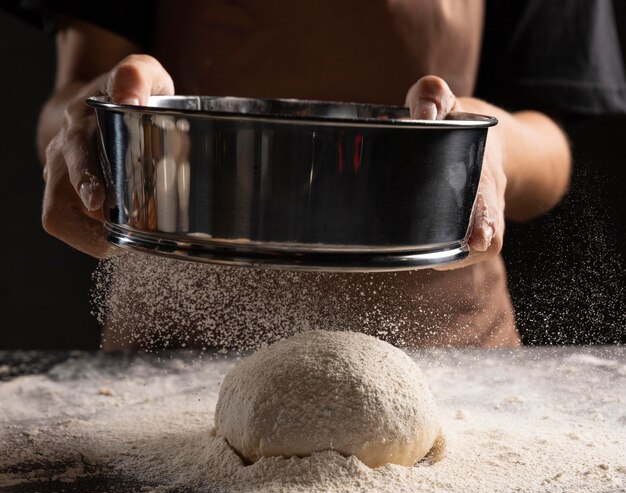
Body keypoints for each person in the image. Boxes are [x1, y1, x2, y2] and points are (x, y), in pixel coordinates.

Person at [5, 0, 623, 349]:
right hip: (180, 354)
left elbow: (553, 146)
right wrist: (99, 120)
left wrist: (477, 138)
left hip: (447, 355)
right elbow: (71, 95)